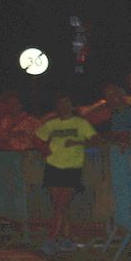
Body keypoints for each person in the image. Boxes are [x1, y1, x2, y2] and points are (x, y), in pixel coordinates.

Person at [34, 94, 96, 252]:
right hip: (53, 166)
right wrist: (44, 149)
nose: (64, 107)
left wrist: (78, 142)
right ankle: (67, 239)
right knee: (58, 205)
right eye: (60, 104)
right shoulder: (52, 124)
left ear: (71, 106)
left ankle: (51, 238)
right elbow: (36, 138)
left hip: (72, 167)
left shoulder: (80, 123)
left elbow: (95, 139)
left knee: (61, 204)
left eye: (67, 103)